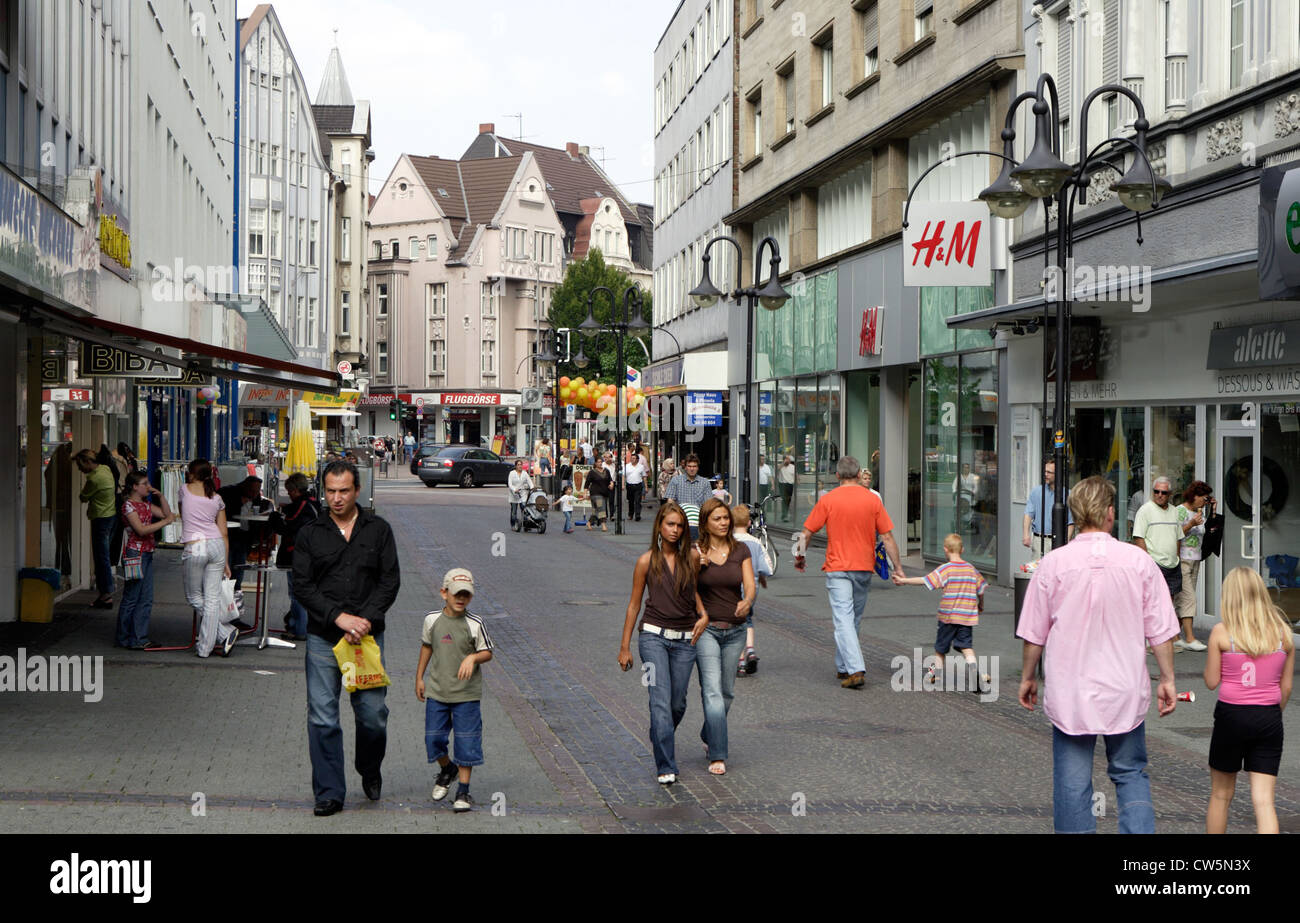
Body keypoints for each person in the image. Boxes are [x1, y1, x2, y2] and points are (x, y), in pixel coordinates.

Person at [1017, 475, 1180, 834]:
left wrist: (1028, 676)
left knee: (1072, 783)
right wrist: (1167, 679)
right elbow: (1161, 629)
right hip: (1123, 687)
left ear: (1076, 513)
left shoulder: (1054, 564)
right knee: (1130, 773)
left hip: (1071, 690)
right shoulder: (1138, 562)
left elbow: (1034, 632)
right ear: (1110, 513)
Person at [293, 460, 401, 817]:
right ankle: (329, 793)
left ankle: (369, 768)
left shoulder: (378, 530)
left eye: (343, 491)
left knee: (373, 715)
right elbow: (303, 585)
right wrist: (338, 617)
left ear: (357, 491)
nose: (336, 498)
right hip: (325, 638)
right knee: (323, 716)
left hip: (366, 640)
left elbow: (390, 581)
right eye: (330, 491)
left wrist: (365, 620)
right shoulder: (310, 533)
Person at [617, 501, 706, 784]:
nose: (675, 530)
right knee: (660, 701)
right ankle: (666, 765)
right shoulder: (645, 561)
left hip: (684, 639)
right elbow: (633, 605)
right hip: (652, 637)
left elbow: (694, 593)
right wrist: (624, 646)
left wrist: (703, 614)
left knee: (677, 704)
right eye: (670, 524)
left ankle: (659, 732)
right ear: (659, 525)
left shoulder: (691, 557)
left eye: (680, 526)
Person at [796, 455, 904, 689]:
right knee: (852, 618)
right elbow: (887, 537)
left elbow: (806, 533)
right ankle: (843, 666)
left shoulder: (828, 499)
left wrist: (799, 556)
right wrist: (898, 567)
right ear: (857, 475)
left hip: (838, 567)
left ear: (837, 476)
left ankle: (854, 668)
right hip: (864, 567)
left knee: (843, 618)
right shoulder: (872, 500)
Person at [1204, 566, 1294, 835]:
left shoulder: (1222, 633)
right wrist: (1270, 712)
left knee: (1221, 795)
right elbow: (1286, 687)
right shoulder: (1283, 634)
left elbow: (1211, 681)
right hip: (1268, 716)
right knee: (1264, 801)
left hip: (1231, 716)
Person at [417, 568, 495, 813]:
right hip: (438, 692)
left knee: (466, 742)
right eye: (456, 594)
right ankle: (447, 768)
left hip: (466, 695)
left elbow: (487, 652)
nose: (461, 599)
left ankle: (463, 789)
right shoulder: (431, 619)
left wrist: (473, 658)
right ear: (444, 593)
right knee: (433, 739)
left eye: (466, 595)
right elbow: (427, 647)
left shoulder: (475, 623)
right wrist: (419, 677)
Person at [694, 499, 755, 775]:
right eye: (717, 518)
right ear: (705, 522)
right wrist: (697, 565)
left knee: (727, 692)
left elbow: (750, 586)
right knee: (713, 691)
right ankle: (717, 754)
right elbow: (685, 586)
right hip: (706, 630)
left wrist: (748, 601)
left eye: (725, 518)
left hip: (735, 630)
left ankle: (710, 731)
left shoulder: (740, 549)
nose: (723, 523)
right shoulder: (697, 550)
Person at [893, 533, 989, 691]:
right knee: (966, 647)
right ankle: (975, 674)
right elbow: (981, 589)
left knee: (940, 649)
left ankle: (934, 675)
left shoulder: (946, 569)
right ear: (962, 549)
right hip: (966, 617)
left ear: (945, 550)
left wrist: (903, 580)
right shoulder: (971, 569)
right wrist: (981, 605)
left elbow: (925, 580)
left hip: (948, 617)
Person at [179, 459, 238, 658]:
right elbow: (224, 532)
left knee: (195, 597)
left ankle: (224, 633)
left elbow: (183, 514)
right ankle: (206, 647)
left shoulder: (184, 490)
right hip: (216, 545)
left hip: (195, 544)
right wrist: (226, 561)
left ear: (192, 473)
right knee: (212, 599)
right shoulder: (217, 498)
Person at [116, 471, 175, 650]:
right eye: (145, 483)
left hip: (146, 553)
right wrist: (166, 523)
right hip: (135, 554)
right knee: (132, 597)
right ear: (135, 487)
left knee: (145, 598)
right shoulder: (129, 506)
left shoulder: (146, 504)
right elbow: (141, 530)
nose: (148, 487)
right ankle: (126, 637)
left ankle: (138, 637)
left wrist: (162, 496)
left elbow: (167, 514)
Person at [272, 472, 320, 641]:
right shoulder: (313, 502)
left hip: (298, 554)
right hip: (311, 553)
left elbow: (289, 527)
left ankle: (299, 629)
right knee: (302, 592)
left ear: (296, 490)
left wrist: (276, 519)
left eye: (290, 492)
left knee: (297, 593)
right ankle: (295, 623)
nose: (290, 495)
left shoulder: (302, 506)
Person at [218, 476, 272, 621]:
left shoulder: (255, 498)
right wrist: (239, 504)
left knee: (237, 577)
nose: (254, 494)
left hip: (242, 539)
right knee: (226, 577)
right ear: (245, 487)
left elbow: (265, 505)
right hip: (229, 537)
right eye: (252, 491)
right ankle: (224, 616)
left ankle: (235, 616)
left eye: (256, 492)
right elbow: (223, 511)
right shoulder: (229, 493)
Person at [74, 448, 118, 609]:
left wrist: (86, 495)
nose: (80, 469)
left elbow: (83, 497)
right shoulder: (105, 469)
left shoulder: (94, 479)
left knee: (101, 558)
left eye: (80, 465)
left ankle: (106, 594)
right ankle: (105, 593)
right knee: (103, 556)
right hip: (112, 516)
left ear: (87, 461)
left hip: (101, 519)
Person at [1172, 480, 1213, 652]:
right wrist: (1191, 524)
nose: (1204, 502)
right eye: (1203, 499)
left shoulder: (1200, 512)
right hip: (1182, 560)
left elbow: (1208, 530)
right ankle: (1190, 638)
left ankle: (1174, 636)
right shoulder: (1180, 511)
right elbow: (1175, 534)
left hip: (1195, 559)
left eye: (1207, 499)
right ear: (1194, 496)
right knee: (1189, 598)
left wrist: (1212, 509)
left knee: (1183, 601)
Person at [732, 504, 773, 676]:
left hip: (733, 587)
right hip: (752, 588)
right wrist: (761, 577)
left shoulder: (730, 542)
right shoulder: (756, 543)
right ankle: (750, 649)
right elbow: (768, 568)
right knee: (747, 618)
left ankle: (740, 661)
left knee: (735, 623)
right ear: (749, 523)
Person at [1134, 475, 1184, 603]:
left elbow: (1178, 537)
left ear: (1170, 494)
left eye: (1163, 492)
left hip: (1173, 565)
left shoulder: (1174, 511)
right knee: (1154, 601)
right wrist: (1148, 563)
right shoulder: (1145, 511)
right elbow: (1139, 538)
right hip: (1155, 564)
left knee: (1170, 602)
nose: (1159, 495)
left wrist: (1177, 558)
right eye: (1156, 491)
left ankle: (1166, 624)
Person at [1023, 461, 1074, 560]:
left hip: (1059, 541)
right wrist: (1026, 534)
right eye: (1045, 471)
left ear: (1058, 474)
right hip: (1039, 540)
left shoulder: (1068, 494)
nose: (1045, 474)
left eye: (1049, 472)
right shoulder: (1036, 491)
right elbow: (1028, 514)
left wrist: (1066, 543)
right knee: (1037, 571)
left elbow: (1070, 522)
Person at [665, 454, 713, 541]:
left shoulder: (705, 482)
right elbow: (670, 502)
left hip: (698, 522)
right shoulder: (676, 480)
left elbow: (708, 505)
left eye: (694, 466)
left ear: (698, 467)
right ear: (685, 467)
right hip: (680, 520)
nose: (692, 469)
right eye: (689, 466)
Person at [507, 458, 534, 528]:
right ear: (516, 466)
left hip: (523, 493)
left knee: (525, 509)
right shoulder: (512, 473)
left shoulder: (525, 473)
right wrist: (514, 489)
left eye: (521, 465)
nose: (520, 466)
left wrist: (532, 488)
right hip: (514, 494)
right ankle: (513, 525)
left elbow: (530, 482)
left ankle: (526, 524)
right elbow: (510, 484)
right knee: (514, 511)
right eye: (518, 465)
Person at [587, 462, 611, 532]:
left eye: (601, 462)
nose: (600, 463)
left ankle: (589, 523)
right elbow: (587, 483)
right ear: (595, 463)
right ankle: (603, 525)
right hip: (595, 493)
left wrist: (611, 484)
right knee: (601, 509)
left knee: (595, 511)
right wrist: (585, 493)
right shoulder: (592, 472)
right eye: (598, 462)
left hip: (604, 493)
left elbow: (610, 480)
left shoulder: (606, 471)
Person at [624, 450, 648, 522]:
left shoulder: (641, 467)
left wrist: (646, 487)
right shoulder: (627, 466)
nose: (632, 459)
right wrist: (622, 484)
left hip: (638, 485)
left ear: (637, 460)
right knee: (630, 501)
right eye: (631, 458)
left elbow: (644, 477)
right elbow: (623, 476)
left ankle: (637, 515)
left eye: (634, 458)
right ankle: (631, 514)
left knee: (637, 501)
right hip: (629, 485)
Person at [777, 454, 796, 521]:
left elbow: (795, 475)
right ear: (784, 460)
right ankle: (784, 515)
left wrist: (798, 481)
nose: (789, 460)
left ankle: (785, 514)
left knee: (788, 500)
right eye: (787, 459)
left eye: (789, 459)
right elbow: (778, 469)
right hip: (782, 484)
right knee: (784, 500)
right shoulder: (781, 466)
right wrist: (783, 463)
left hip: (790, 485)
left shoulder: (792, 467)